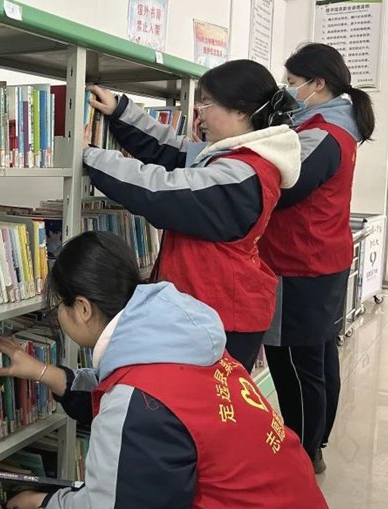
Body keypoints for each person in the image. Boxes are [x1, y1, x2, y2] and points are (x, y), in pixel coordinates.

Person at [0, 231, 340, 509]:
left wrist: (45, 505)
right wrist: (44, 372)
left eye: (59, 308)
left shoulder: (138, 398)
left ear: (82, 309)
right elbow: (128, 400)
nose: (58, 317)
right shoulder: (178, 340)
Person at [81, 59, 302, 372]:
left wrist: (91, 155)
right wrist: (121, 112)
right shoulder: (234, 156)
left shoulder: (241, 175)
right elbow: (172, 151)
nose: (199, 114)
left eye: (207, 104)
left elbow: (160, 191)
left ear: (241, 111)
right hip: (211, 310)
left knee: (205, 400)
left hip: (222, 317)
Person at [258, 43, 376, 473]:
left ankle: (302, 456)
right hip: (323, 259)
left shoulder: (323, 132)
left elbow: (285, 190)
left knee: (294, 363)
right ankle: (316, 443)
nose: (287, 89)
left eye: (292, 82)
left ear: (318, 83)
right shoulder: (338, 125)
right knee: (320, 357)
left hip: (299, 265)